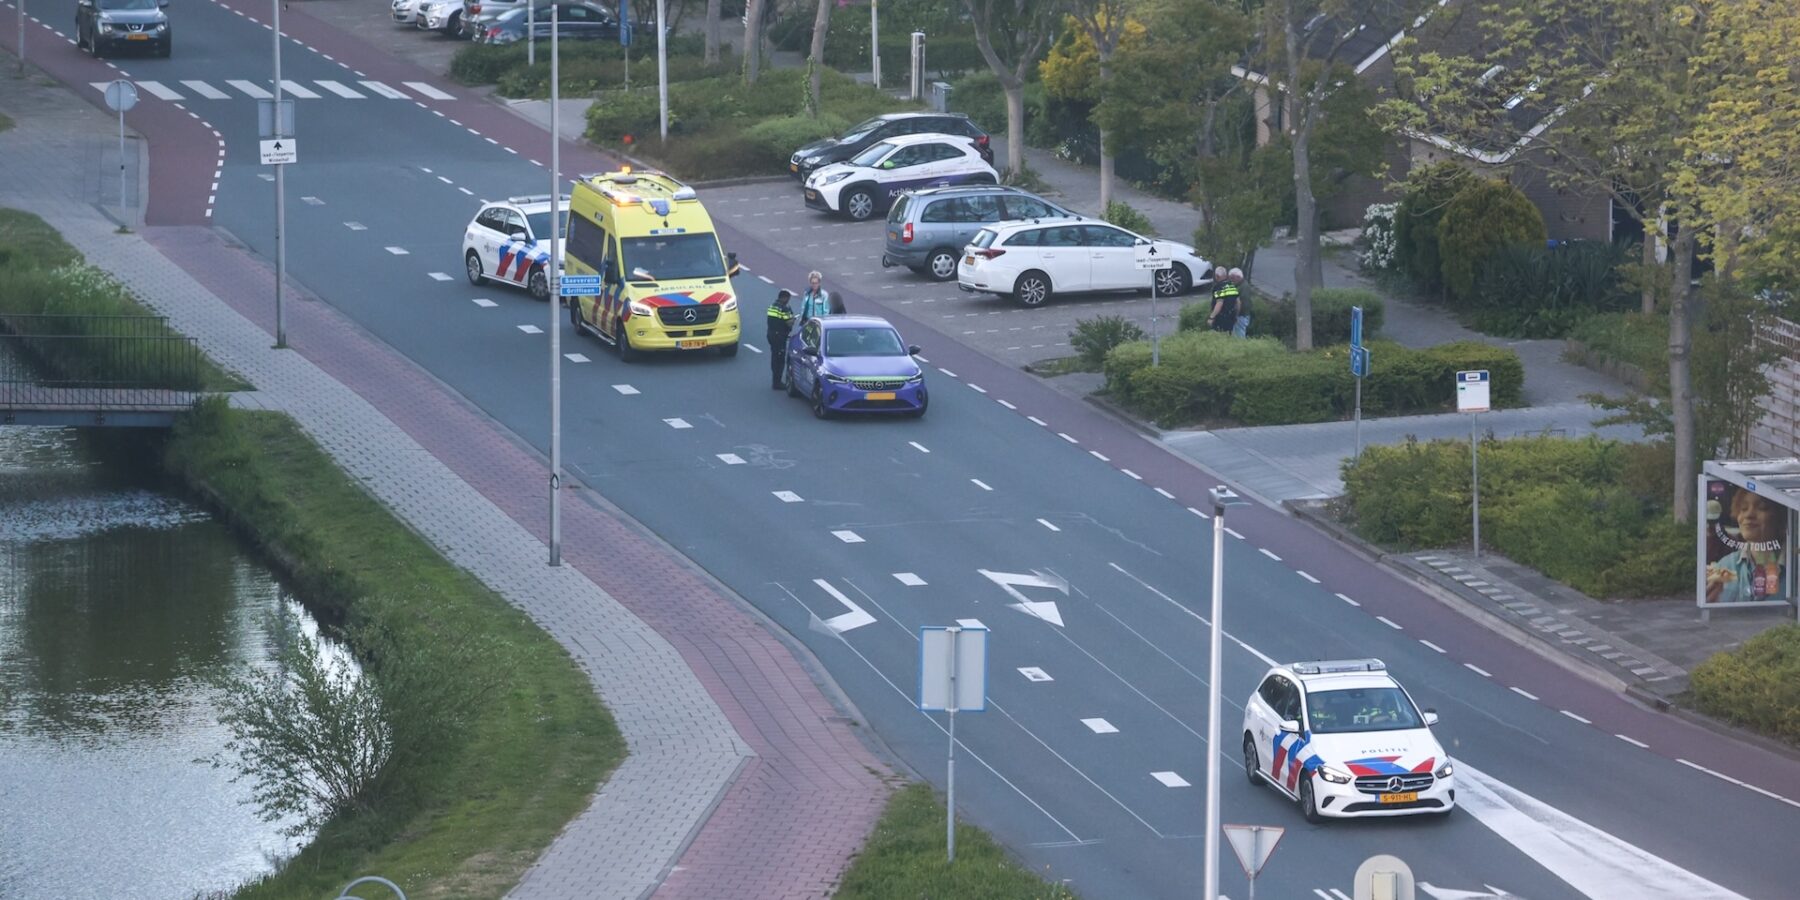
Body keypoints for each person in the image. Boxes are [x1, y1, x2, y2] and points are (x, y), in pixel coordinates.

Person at [1707, 489, 1786, 604]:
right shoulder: (1725, 565)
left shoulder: (1795, 567)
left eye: (1762, 507)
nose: (1749, 515)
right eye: (1743, 509)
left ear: (1781, 517)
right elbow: (1710, 610)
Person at [765, 289, 795, 390]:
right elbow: (789, 322)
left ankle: (774, 380)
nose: (788, 301)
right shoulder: (784, 308)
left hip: (771, 334)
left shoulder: (772, 306)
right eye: (788, 299)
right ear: (785, 298)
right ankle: (777, 383)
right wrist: (793, 318)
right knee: (780, 360)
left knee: (774, 357)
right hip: (780, 337)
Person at [1207, 268, 1241, 333]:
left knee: (1217, 336)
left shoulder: (1218, 287)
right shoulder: (1232, 286)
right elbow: (1238, 303)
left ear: (1217, 276)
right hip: (1231, 317)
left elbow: (1219, 303)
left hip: (1220, 318)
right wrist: (1236, 315)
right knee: (1228, 336)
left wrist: (1211, 317)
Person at [1229, 268, 1251, 337]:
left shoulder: (1243, 287)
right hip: (1241, 315)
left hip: (1241, 316)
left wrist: (1236, 315)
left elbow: (1242, 304)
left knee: (1239, 336)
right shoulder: (1241, 285)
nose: (1231, 280)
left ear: (1238, 277)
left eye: (1232, 278)